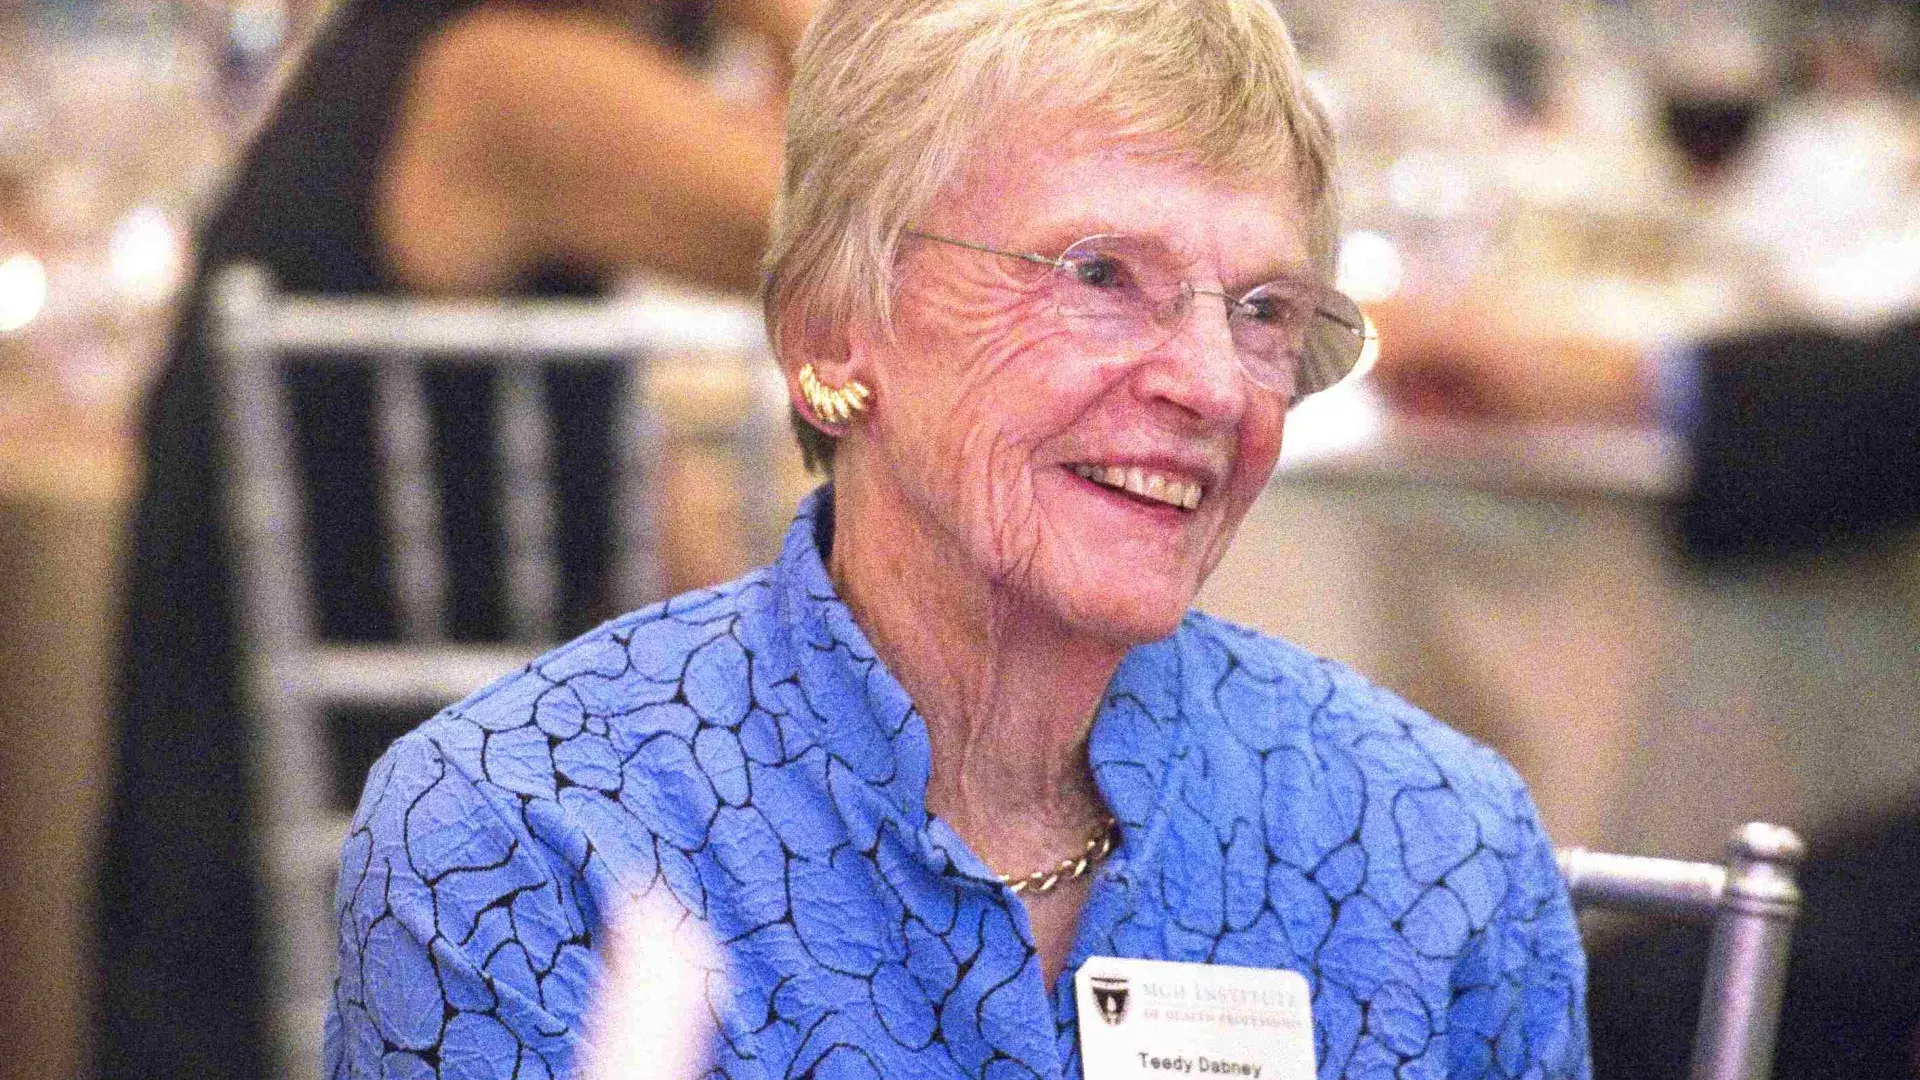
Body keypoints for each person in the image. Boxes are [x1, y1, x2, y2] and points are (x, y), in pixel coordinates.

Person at [326, 0, 1591, 1077]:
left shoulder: (1433, 849)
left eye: (1263, 309)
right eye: (1099, 276)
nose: (1213, 385)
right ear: (834, 331)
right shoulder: (535, 844)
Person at [97, 0, 811, 1077]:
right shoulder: (493, 84)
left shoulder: (404, 71)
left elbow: (676, 573)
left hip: (392, 873)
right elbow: (910, 217)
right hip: (396, 929)